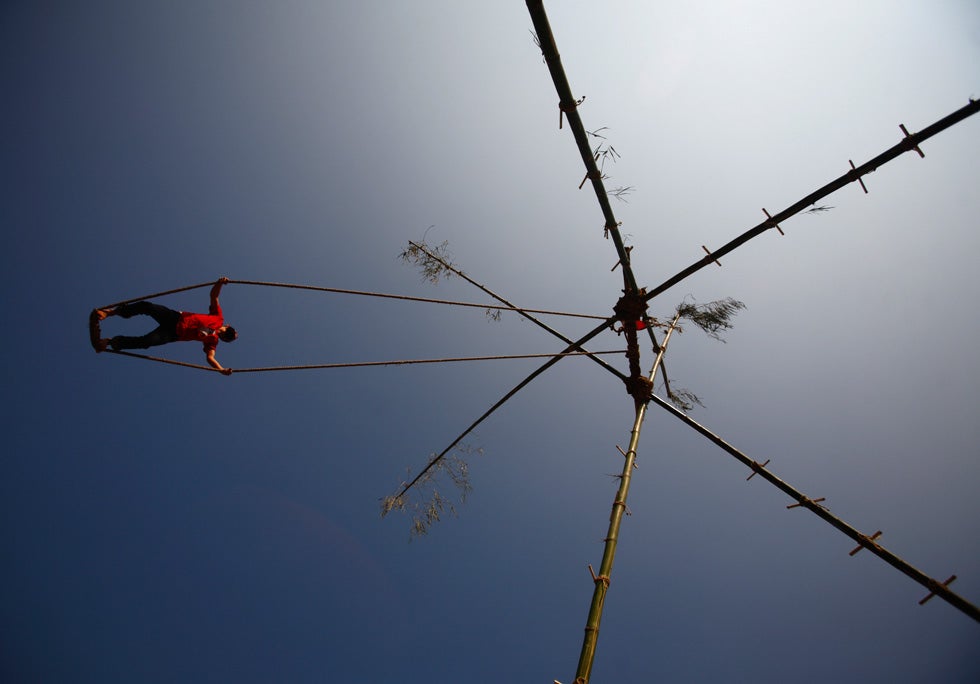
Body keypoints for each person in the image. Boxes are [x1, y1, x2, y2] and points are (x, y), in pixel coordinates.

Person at [96, 277, 237, 375]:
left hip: (172, 334)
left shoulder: (213, 342)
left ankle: (110, 342)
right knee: (148, 307)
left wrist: (221, 370)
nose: (225, 334)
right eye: (228, 331)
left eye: (227, 337)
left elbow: (210, 358)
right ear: (227, 325)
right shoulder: (218, 317)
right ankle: (111, 313)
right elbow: (214, 297)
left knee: (146, 342)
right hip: (175, 317)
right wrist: (220, 283)